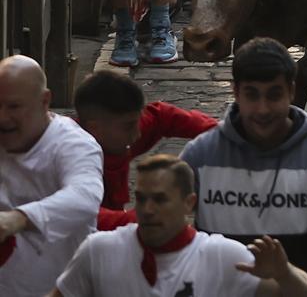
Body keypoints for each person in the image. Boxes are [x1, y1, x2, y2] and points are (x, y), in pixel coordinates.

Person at [180, 37, 307, 297]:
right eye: (252, 95)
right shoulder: (200, 156)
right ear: (235, 92)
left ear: (291, 91)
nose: (262, 109)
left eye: (274, 95)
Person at [52, 154, 307, 297]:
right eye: (142, 199)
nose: (147, 210)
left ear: (189, 203)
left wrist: (284, 273)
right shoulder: (99, 250)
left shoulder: (222, 257)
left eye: (160, 200)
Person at [0, 55, 103, 297]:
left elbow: (85, 196)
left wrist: (20, 218)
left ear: (44, 101)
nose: (2, 117)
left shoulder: (74, 144)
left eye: (13, 107)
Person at [72, 70, 217, 230]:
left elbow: (163, 116)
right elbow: (78, 215)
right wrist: (142, 217)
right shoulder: (67, 156)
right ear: (94, 128)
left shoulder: (121, 130)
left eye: (137, 122)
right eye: (129, 126)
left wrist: (219, 134)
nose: (137, 133)